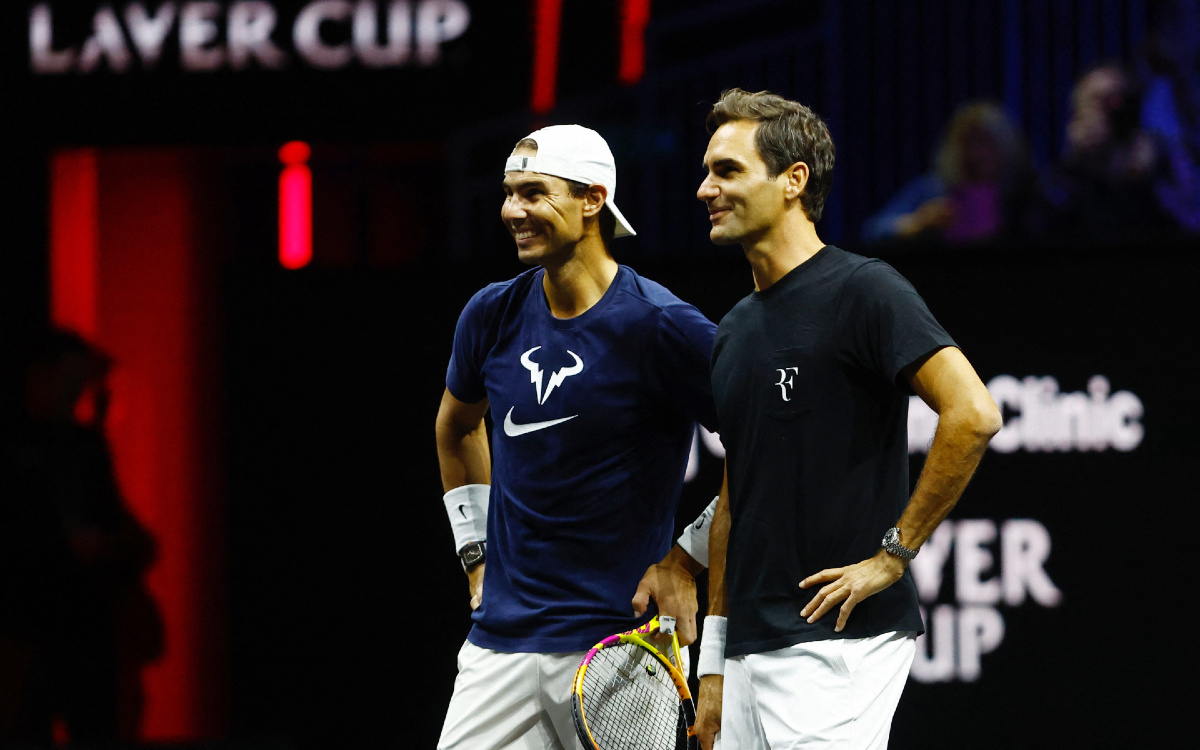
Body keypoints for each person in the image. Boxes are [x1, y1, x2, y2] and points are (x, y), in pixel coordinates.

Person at [691, 89, 1002, 750]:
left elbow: (973, 413)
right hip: (746, 648)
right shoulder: (732, 331)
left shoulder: (865, 289)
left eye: (727, 171)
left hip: (838, 646)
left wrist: (894, 556)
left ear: (793, 180)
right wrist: (713, 663)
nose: (704, 189)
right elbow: (732, 501)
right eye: (706, 171)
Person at [435, 124, 721, 750]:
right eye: (510, 193)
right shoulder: (491, 312)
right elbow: (455, 427)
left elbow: (767, 449)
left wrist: (685, 559)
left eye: (534, 193)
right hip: (498, 646)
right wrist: (475, 553)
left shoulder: (664, 326)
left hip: (622, 648)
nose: (513, 210)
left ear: (593, 200)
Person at [861, 101, 1035, 245]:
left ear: (1005, 146)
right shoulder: (935, 187)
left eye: (985, 142)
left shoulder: (1025, 192)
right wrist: (917, 223)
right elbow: (873, 230)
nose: (977, 154)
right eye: (968, 143)